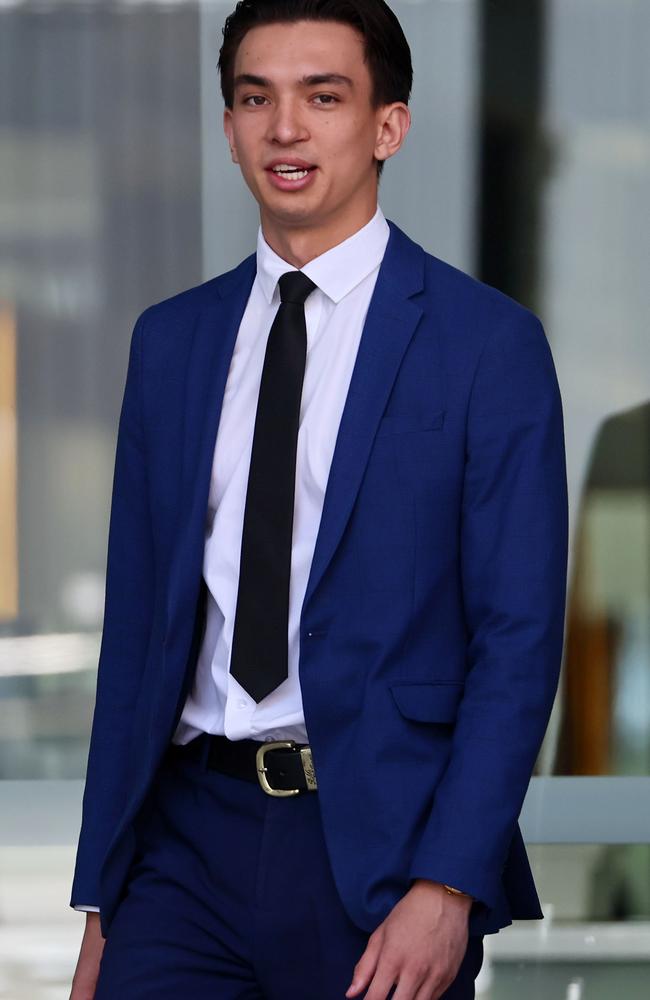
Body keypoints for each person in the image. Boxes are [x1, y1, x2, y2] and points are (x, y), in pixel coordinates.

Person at [69, 2, 568, 998]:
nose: (284, 127)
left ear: (387, 125)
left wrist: (448, 883)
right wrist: (101, 899)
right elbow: (135, 645)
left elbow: (515, 642)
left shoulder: (485, 346)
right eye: (255, 98)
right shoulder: (169, 343)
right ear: (227, 127)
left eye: (321, 96)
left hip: (377, 855)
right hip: (181, 850)